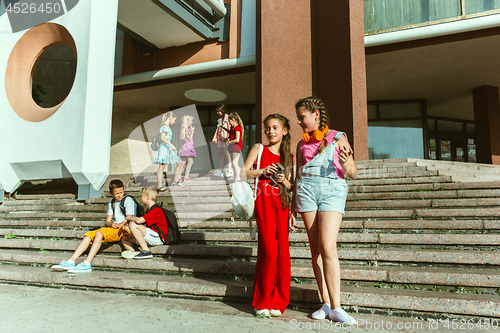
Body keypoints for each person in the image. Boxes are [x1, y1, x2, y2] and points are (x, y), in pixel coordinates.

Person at [289, 96, 357, 325]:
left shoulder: (338, 138)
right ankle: (326, 303)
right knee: (315, 248)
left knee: (328, 246)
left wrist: (347, 162)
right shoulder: (301, 144)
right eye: (298, 118)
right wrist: (292, 208)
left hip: (331, 191)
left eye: (302, 117)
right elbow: (298, 176)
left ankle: (337, 307)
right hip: (306, 193)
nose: (299, 122)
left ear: (316, 114)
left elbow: (352, 172)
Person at [242, 114, 293, 318]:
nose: (271, 131)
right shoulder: (259, 149)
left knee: (283, 255)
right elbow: (243, 172)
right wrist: (262, 170)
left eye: (275, 128)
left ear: (285, 131)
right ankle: (261, 301)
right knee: (269, 252)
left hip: (281, 204)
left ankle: (278, 302)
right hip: (263, 202)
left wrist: (284, 180)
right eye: (267, 128)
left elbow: (290, 186)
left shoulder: (288, 156)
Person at [51, 179, 137, 273]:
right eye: (116, 193)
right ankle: (71, 261)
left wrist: (119, 225)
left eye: (121, 192)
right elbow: (107, 222)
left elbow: (129, 219)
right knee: (88, 235)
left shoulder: (128, 200)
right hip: (114, 228)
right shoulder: (111, 202)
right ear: (111, 193)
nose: (119, 195)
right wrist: (112, 224)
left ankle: (87, 263)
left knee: (99, 233)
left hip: (124, 229)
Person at [121, 187, 168, 259]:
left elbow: (139, 220)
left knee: (133, 224)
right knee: (125, 238)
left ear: (147, 197)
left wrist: (128, 218)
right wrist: (131, 235)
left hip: (158, 238)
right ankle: (133, 252)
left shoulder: (156, 210)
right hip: (152, 236)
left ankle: (146, 251)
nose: (141, 198)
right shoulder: (149, 210)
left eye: (142, 196)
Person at [155, 111, 183, 189]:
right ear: (171, 118)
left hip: (168, 149)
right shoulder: (164, 127)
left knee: (179, 163)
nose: (174, 122)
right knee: (162, 167)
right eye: (174, 120)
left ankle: (175, 181)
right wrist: (171, 145)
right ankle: (159, 186)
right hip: (164, 149)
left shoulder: (167, 127)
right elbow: (162, 138)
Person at [211, 105, 232, 178]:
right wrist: (215, 137)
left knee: (226, 153)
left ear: (223, 110)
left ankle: (230, 169)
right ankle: (220, 170)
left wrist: (228, 137)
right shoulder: (219, 120)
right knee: (220, 153)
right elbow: (218, 129)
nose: (218, 113)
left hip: (225, 138)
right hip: (220, 137)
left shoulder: (227, 118)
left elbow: (229, 128)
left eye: (219, 111)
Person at [224, 112, 244, 182]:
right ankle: (236, 179)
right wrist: (223, 128)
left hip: (236, 147)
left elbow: (237, 140)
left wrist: (228, 142)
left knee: (235, 164)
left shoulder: (237, 128)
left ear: (233, 119)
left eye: (229, 121)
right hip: (233, 148)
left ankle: (238, 178)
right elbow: (231, 132)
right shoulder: (233, 128)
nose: (229, 123)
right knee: (234, 164)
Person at [178, 115, 196, 182]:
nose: (192, 122)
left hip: (185, 146)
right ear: (187, 121)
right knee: (190, 161)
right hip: (188, 146)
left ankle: (179, 176)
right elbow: (189, 139)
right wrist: (192, 132)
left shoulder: (184, 129)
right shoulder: (186, 129)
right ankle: (186, 177)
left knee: (183, 162)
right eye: (190, 120)